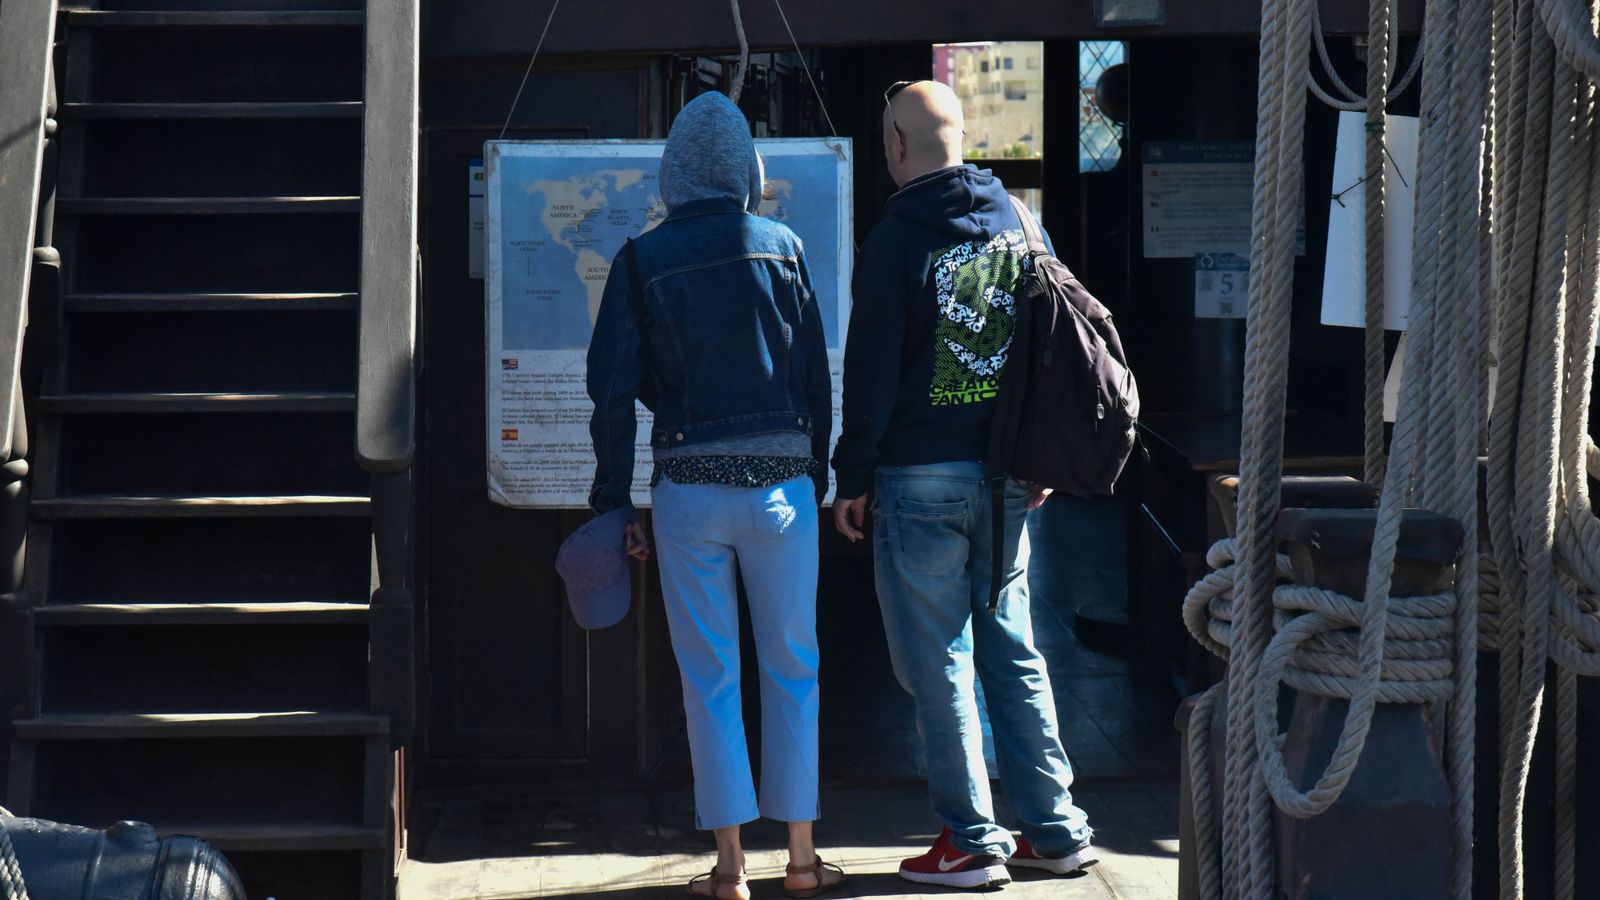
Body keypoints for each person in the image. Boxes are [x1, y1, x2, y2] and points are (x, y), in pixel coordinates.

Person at [829, 80, 1098, 890]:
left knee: (940, 662)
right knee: (1014, 650)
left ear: (898, 147)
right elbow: (1054, 348)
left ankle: (973, 842)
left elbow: (870, 374)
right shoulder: (1022, 224)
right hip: (1010, 476)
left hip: (919, 482)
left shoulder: (895, 242)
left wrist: (853, 476)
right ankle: (1057, 832)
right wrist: (1042, 459)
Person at [586, 91, 845, 900]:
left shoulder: (638, 261)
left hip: (689, 494)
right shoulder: (785, 248)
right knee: (793, 666)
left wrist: (613, 505)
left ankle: (730, 870)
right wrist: (817, 474)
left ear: (672, 174)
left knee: (710, 679)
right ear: (745, 172)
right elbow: (815, 380)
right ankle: (801, 862)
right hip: (780, 494)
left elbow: (609, 393)